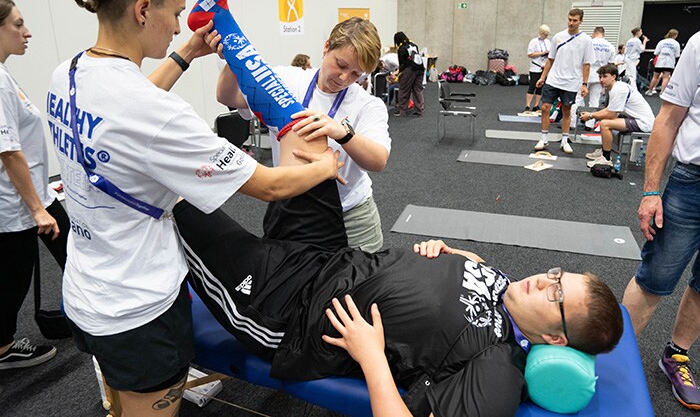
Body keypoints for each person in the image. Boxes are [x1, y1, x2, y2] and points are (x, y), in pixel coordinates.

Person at [51, 0, 342, 415]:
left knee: (120, 407)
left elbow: (133, 101)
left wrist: (186, 53)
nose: (180, 24)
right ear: (143, 9)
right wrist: (327, 168)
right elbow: (267, 185)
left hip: (87, 292)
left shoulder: (67, 72)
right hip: (139, 312)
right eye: (176, 12)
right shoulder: (160, 116)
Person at [176, 178, 624, 417]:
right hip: (330, 256)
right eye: (556, 274)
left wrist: (370, 355)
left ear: (556, 338)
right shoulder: (505, 284)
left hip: (288, 309)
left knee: (175, 200)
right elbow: (466, 267)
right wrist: (447, 253)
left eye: (557, 295)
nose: (545, 281)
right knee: (314, 149)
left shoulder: (499, 368)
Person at [217, 17, 390, 253]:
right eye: (340, 65)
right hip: (293, 210)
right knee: (294, 283)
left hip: (350, 215)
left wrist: (342, 133)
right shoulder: (286, 79)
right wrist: (231, 62)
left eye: (355, 74)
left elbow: (378, 160)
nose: (344, 79)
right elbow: (229, 98)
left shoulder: (367, 104)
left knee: (358, 287)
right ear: (327, 46)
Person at [622, 30, 700, 411]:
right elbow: (668, 119)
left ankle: (676, 355)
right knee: (655, 276)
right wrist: (651, 191)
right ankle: (610, 359)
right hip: (692, 183)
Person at [0, 0, 70, 370]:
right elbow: (9, 152)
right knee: (13, 279)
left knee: (73, 250)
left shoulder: (4, 73)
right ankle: (3, 347)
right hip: (18, 205)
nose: (27, 32)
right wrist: (37, 208)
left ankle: (92, 315)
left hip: (32, 197)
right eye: (17, 24)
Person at [534, 8, 594, 154]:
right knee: (545, 108)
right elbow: (550, 59)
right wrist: (543, 77)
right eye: (569, 19)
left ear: (580, 21)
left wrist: (584, 84)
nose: (571, 23)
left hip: (572, 81)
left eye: (575, 20)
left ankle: (565, 141)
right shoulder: (558, 37)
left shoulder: (586, 40)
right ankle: (544, 138)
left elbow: (586, 64)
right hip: (553, 79)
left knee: (567, 111)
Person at [581, 64, 655, 167]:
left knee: (605, 124)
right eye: (600, 77)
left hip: (643, 123)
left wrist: (590, 116)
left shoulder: (618, 89)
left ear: (614, 77)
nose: (602, 80)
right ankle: (604, 151)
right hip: (634, 118)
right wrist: (593, 115)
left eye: (605, 76)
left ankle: (606, 158)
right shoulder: (616, 87)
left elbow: (611, 114)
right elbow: (610, 109)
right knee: (605, 121)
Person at [572, 26, 615, 129]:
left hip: (586, 73)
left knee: (577, 98)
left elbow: (580, 59)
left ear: (594, 33)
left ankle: (572, 123)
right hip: (600, 74)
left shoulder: (589, 43)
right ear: (603, 34)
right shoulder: (610, 46)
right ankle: (589, 124)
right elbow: (611, 65)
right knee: (594, 100)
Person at [393, 31, 425, 117]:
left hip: (410, 69)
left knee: (404, 90)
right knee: (418, 89)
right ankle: (419, 110)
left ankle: (402, 111)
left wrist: (398, 74)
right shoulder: (414, 45)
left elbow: (402, 64)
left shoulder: (401, 49)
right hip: (420, 68)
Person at [645, 29, 681, 96]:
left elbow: (656, 52)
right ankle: (662, 93)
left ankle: (649, 90)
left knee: (655, 76)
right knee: (666, 77)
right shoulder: (676, 43)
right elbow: (677, 55)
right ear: (675, 35)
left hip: (660, 62)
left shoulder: (661, 42)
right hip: (669, 63)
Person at [524, 24, 551, 112]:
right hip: (535, 67)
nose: (546, 36)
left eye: (547, 34)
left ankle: (536, 105)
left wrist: (548, 54)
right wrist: (542, 53)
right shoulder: (534, 42)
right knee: (532, 86)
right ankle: (528, 105)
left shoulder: (548, 42)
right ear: (541, 33)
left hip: (544, 67)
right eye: (545, 34)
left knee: (540, 87)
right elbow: (530, 54)